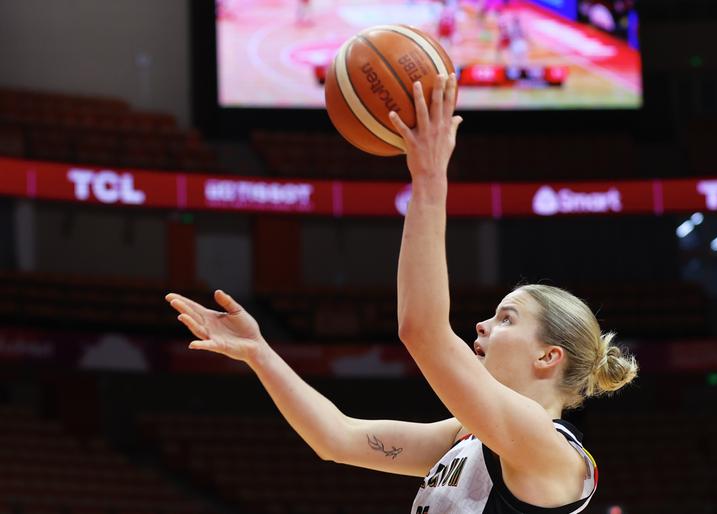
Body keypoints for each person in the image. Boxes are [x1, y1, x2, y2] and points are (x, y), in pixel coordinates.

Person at [166, 74, 638, 513]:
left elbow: (422, 331)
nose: (483, 324)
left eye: (507, 319)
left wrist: (429, 181)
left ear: (548, 357)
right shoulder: (466, 436)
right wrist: (259, 352)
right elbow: (338, 439)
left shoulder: (547, 449)